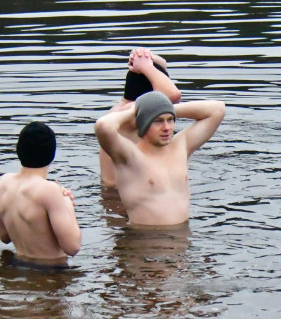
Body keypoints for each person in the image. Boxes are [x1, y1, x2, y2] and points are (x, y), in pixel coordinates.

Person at [94, 90, 225, 226]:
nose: (166, 128)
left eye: (170, 120)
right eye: (158, 121)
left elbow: (217, 109)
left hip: (182, 238)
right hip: (143, 240)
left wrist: (163, 108)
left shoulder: (181, 146)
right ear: (143, 122)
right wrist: (137, 112)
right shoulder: (130, 156)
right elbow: (103, 126)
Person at [0, 122, 81, 268]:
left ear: (19, 150)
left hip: (16, 266)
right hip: (50, 272)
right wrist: (66, 203)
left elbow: (4, 237)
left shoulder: (3, 183)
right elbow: (72, 247)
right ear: (52, 153)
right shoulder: (50, 191)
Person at [98, 48, 182, 190]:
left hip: (115, 192)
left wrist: (143, 58)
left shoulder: (120, 108)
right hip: (120, 197)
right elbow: (173, 95)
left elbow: (163, 63)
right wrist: (147, 66)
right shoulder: (132, 112)